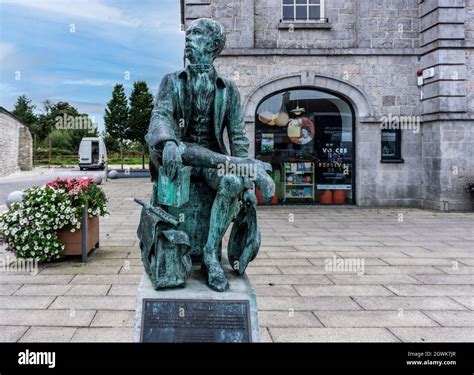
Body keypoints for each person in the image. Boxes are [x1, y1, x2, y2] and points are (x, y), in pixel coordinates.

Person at [145, 18, 274, 292]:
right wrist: (167, 141)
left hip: (213, 161)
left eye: (197, 34)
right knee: (185, 157)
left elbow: (238, 137)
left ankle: (211, 255)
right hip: (179, 159)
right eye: (188, 33)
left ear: (214, 45)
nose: (189, 38)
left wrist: (247, 185)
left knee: (232, 182)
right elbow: (160, 116)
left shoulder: (229, 89)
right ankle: (176, 252)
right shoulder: (171, 81)